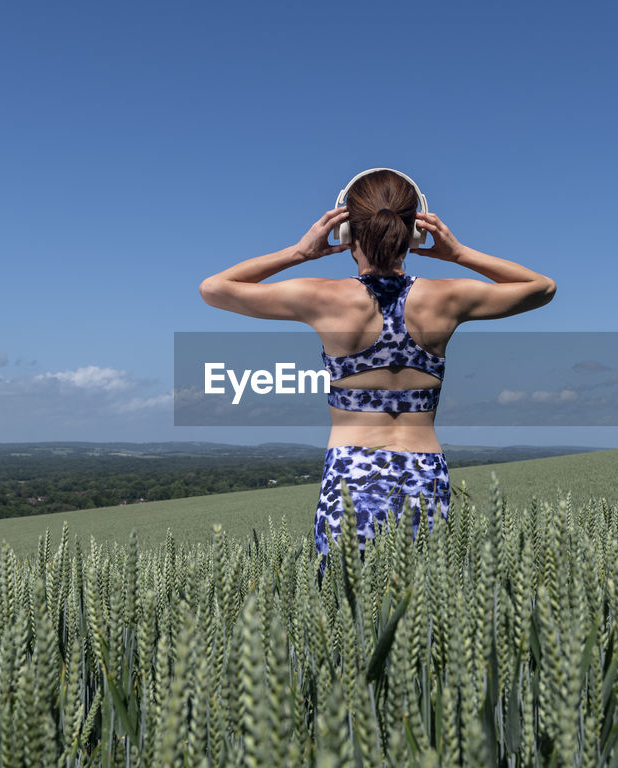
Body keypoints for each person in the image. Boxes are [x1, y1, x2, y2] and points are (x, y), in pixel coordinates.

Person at [199, 168, 555, 574]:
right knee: (424, 622)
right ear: (415, 232)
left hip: (350, 479)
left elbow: (214, 288)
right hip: (425, 476)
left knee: (346, 618)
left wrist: (299, 253)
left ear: (347, 231)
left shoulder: (323, 298)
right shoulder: (448, 298)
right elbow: (542, 287)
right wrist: (459, 253)